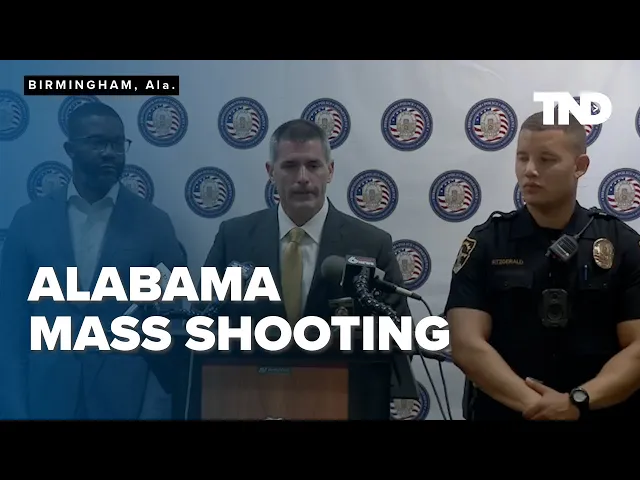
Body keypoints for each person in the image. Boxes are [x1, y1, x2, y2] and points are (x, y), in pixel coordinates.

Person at [198, 118, 411, 419]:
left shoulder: (371, 244)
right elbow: (201, 325)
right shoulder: (234, 238)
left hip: (343, 404)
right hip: (249, 402)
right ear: (271, 172)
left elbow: (398, 335)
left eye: (313, 165)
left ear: (330, 171)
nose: (302, 178)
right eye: (289, 166)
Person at [446, 110, 640, 421]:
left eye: (546, 160)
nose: (530, 170)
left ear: (580, 166)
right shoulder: (487, 242)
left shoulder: (623, 245)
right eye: (522, 158)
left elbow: (638, 349)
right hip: (509, 413)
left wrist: (576, 403)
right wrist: (543, 409)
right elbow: (466, 344)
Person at [0, 101, 186, 419]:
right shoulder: (28, 221)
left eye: (117, 143)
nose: (109, 153)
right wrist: (13, 409)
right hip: (44, 397)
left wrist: (153, 410)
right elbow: (10, 325)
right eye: (97, 142)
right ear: (70, 149)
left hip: (124, 400)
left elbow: (169, 325)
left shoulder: (155, 224)